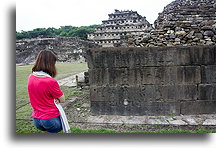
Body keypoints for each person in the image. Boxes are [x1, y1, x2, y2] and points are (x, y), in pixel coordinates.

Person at [27, 50, 65, 133]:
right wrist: (56, 99)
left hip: (36, 119)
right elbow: (62, 99)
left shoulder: (31, 77)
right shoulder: (50, 81)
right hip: (50, 118)